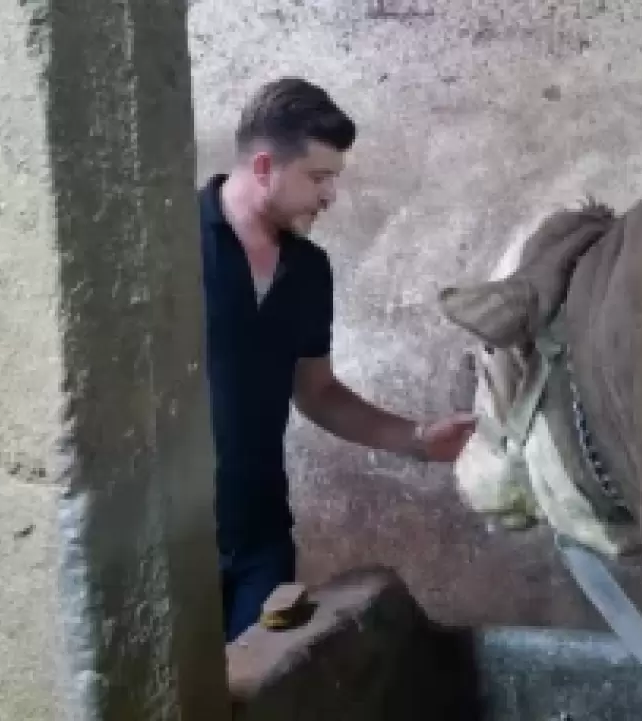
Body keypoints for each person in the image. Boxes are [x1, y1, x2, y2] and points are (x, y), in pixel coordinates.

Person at [199, 77, 476, 642]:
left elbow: (318, 392)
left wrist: (419, 440)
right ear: (263, 167)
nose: (330, 196)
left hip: (261, 538)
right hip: (164, 544)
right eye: (318, 177)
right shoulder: (167, 245)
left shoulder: (309, 271)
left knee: (263, 682)